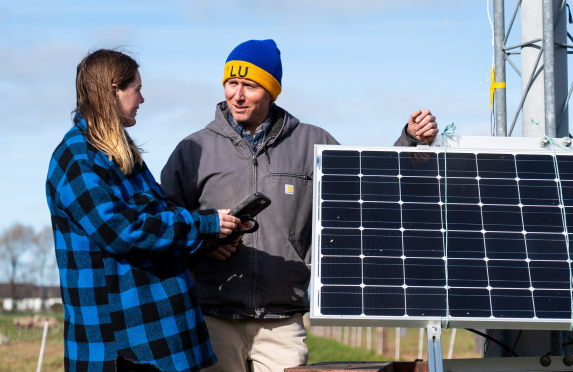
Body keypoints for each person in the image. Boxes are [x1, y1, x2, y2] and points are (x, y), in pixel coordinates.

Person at [160, 39, 438, 372]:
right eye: (231, 83)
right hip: (211, 317)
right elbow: (166, 223)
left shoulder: (312, 142)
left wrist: (409, 141)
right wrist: (202, 244)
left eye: (250, 85)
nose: (237, 94)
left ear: (271, 91)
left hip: (283, 324)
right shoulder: (193, 149)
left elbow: (365, 189)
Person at [46, 49, 246, 372]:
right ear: (113, 90)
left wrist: (209, 241)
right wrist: (204, 225)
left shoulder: (122, 152)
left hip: (161, 343)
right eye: (136, 89)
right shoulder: (76, 159)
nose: (142, 98)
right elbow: (123, 232)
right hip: (120, 349)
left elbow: (159, 219)